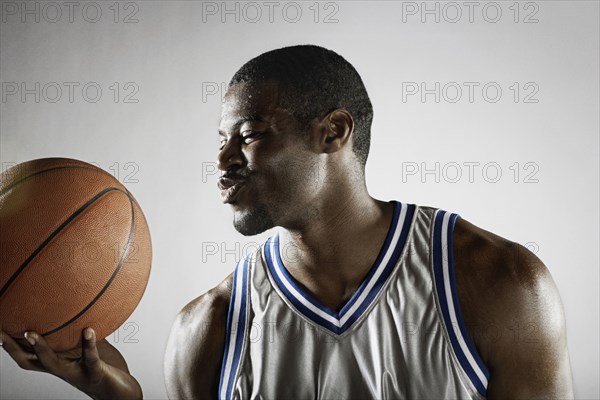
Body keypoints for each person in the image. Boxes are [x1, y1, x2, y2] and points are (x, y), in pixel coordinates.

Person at [0, 45, 574, 399]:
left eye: (248, 136)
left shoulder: (500, 285)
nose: (223, 161)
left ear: (334, 132)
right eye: (221, 142)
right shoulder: (206, 331)